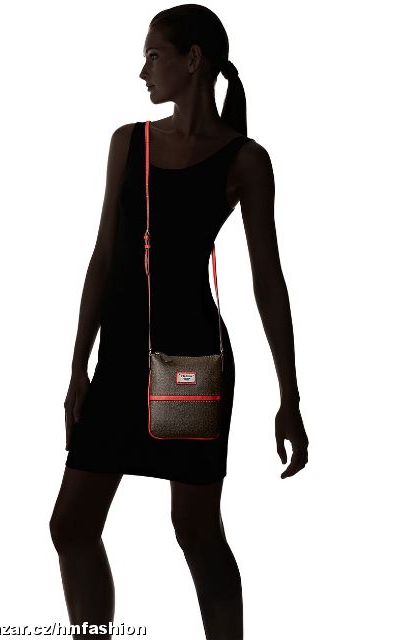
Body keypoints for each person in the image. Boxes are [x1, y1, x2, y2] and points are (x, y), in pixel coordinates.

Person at [50, 5, 309, 639]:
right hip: (118, 362)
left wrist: (290, 396)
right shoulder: (128, 142)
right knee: (71, 525)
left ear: (193, 60)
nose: (143, 72)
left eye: (154, 56)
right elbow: (104, 257)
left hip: (190, 362)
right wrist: (77, 366)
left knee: (194, 528)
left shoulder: (245, 160)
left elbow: (269, 282)